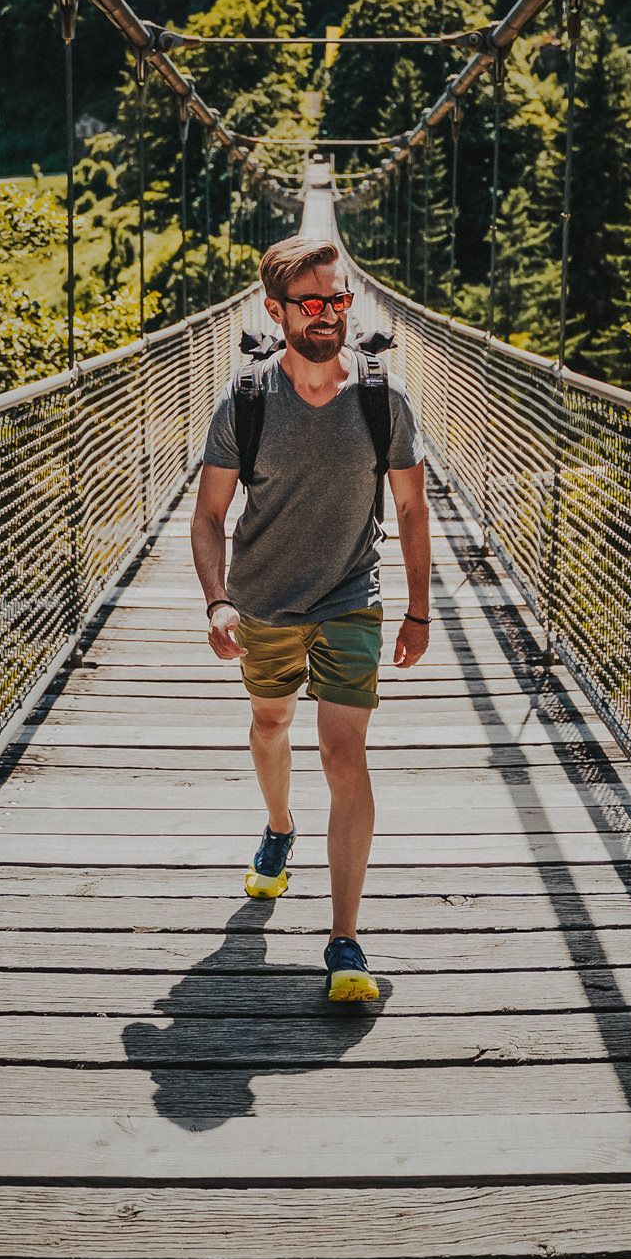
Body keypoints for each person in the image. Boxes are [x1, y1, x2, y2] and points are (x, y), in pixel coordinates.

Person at [190, 234, 432, 1002]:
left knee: (342, 752)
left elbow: (414, 510)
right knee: (269, 725)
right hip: (263, 601)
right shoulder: (247, 401)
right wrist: (218, 598)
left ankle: (344, 940)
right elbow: (207, 517)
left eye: (338, 299)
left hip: (350, 596)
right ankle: (281, 827)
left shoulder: (382, 399)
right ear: (276, 310)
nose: (329, 314)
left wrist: (419, 611)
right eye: (312, 302)